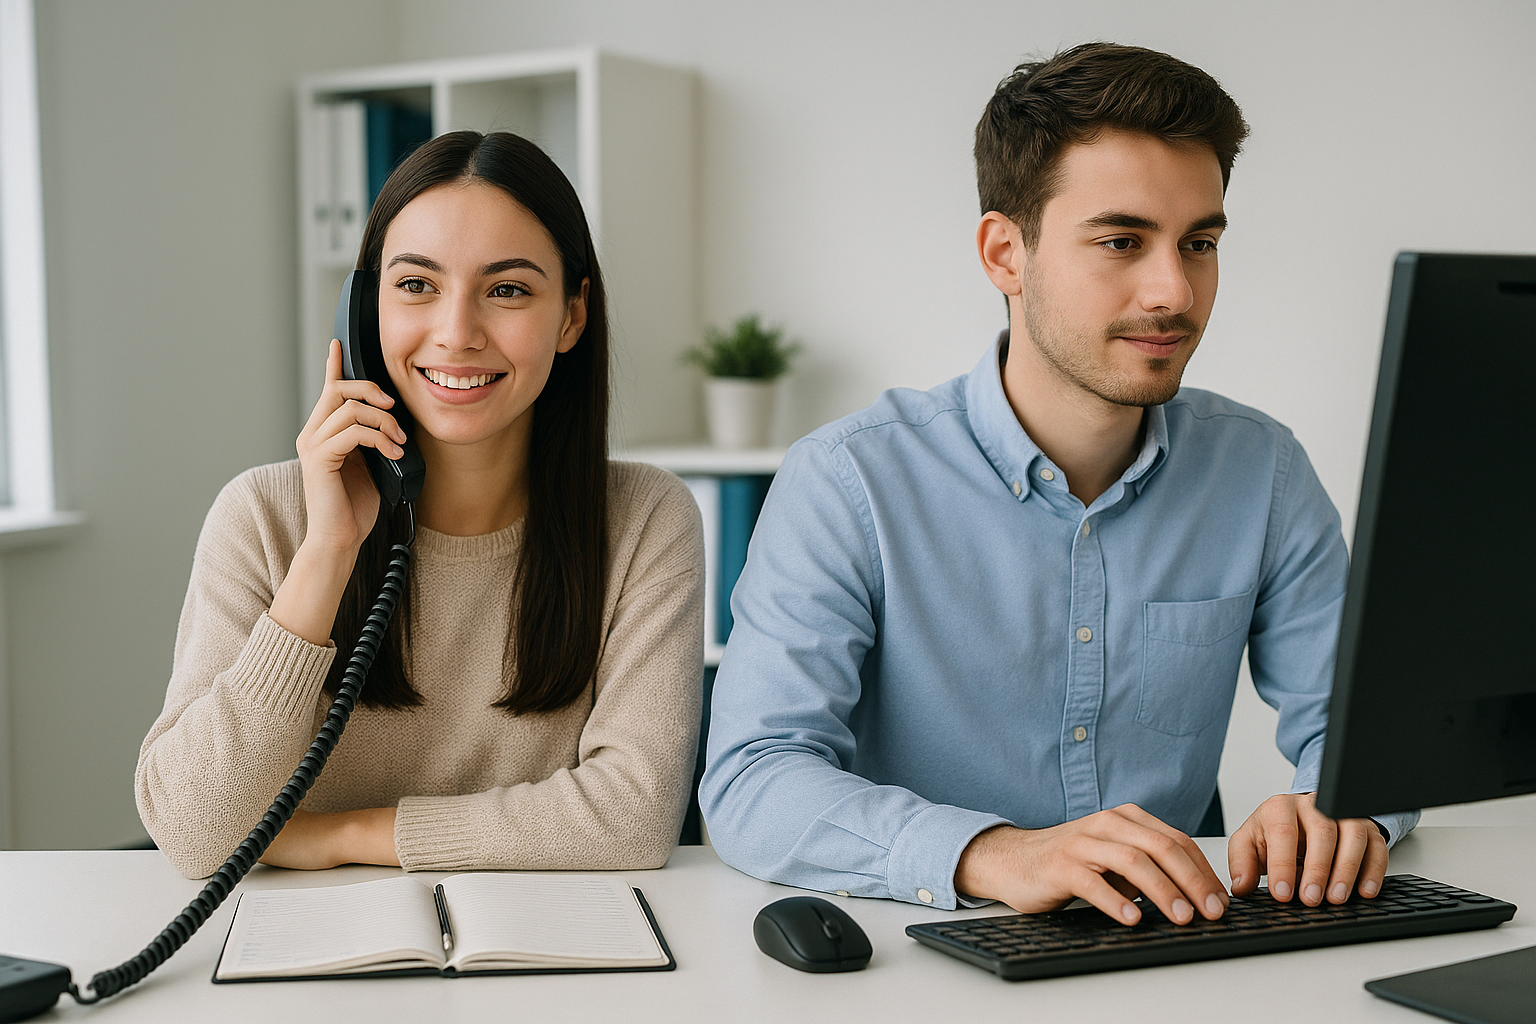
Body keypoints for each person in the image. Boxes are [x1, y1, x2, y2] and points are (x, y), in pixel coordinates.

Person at [700, 43, 1416, 926]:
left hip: (1176, 944)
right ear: (1006, 253)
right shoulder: (849, 481)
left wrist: (1336, 811)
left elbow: (1362, 736)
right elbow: (753, 778)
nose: (1174, 290)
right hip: (925, 946)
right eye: (1122, 241)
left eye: (1199, 244)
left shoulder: (1261, 471)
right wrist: (996, 852)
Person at [137, 131, 703, 879]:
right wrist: (327, 551)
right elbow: (191, 830)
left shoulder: (645, 520)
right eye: (415, 285)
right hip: (305, 942)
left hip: (537, 938)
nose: (456, 334)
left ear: (571, 316)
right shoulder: (261, 517)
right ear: (364, 309)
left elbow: (634, 816)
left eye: (507, 290)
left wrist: (342, 837)